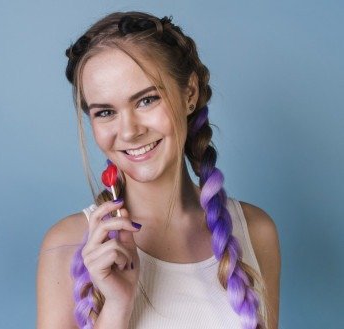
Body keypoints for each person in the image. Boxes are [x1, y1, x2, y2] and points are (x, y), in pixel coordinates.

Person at [36, 11, 280, 329]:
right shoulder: (65, 245)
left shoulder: (255, 231)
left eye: (147, 100)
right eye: (106, 111)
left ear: (189, 94)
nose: (129, 131)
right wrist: (118, 306)